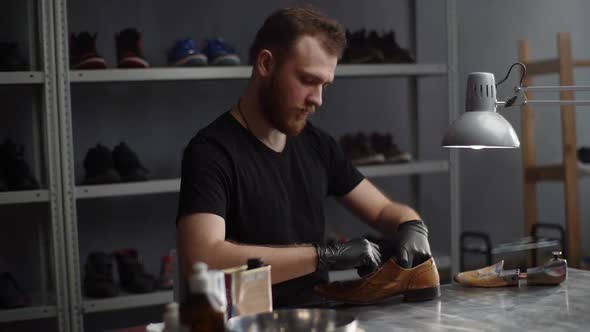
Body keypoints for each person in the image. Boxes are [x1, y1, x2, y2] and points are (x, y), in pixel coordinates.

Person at [176, 6, 432, 308]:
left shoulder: (317, 144)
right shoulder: (211, 151)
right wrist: (322, 256)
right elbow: (202, 258)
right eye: (308, 81)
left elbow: (382, 211)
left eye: (324, 85)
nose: (318, 100)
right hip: (244, 320)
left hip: (315, 317)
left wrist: (411, 226)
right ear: (266, 64)